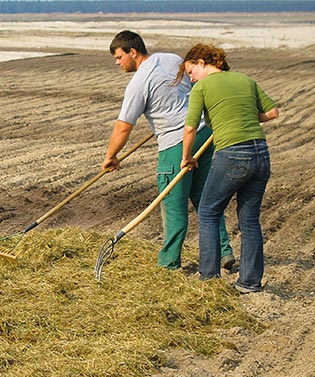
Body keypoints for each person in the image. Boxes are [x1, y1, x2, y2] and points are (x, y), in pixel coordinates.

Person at [101, 30, 235, 272]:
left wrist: (111, 157)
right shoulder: (172, 59)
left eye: (119, 57)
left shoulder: (139, 82)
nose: (117, 63)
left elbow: (123, 128)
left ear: (133, 52)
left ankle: (168, 264)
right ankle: (224, 251)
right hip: (203, 133)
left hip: (176, 143)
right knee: (205, 198)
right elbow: (192, 89)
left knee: (173, 204)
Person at [180, 44, 279, 293]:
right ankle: (249, 282)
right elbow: (272, 112)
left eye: (191, 71)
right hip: (261, 154)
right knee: (249, 220)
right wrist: (242, 115)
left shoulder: (201, 87)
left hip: (233, 154)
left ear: (202, 62)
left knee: (208, 211)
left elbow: (190, 128)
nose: (190, 78)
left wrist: (187, 157)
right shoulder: (245, 80)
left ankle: (209, 279)